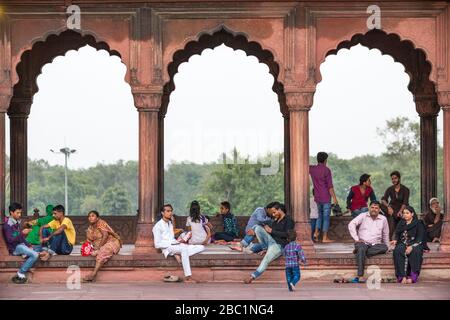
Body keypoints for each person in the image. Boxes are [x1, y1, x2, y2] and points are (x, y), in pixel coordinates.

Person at [153, 204, 204, 283]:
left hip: (176, 245)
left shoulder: (170, 224)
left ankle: (179, 254)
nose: (170, 213)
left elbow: (172, 238)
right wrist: (172, 244)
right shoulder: (157, 226)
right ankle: (188, 277)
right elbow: (157, 244)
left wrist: (177, 242)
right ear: (162, 213)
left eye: (171, 211)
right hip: (168, 247)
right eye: (168, 211)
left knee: (201, 247)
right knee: (183, 249)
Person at [244, 203, 294, 284]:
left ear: (280, 210)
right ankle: (260, 247)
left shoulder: (289, 221)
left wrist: (272, 231)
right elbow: (268, 233)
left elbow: (287, 235)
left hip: (279, 245)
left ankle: (252, 276)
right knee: (257, 227)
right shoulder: (275, 221)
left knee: (266, 259)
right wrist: (266, 230)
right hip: (269, 242)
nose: (273, 215)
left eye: (274, 212)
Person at [347, 201, 390, 283]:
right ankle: (360, 276)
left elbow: (385, 234)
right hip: (362, 243)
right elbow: (351, 224)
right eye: (372, 207)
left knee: (385, 247)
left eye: (376, 208)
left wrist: (387, 246)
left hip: (375, 245)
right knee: (362, 247)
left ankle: (360, 252)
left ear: (379, 209)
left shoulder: (383, 219)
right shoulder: (363, 215)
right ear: (369, 208)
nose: (374, 209)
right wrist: (356, 239)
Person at [3, 203, 44, 284]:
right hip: (15, 248)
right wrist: (22, 233)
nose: (19, 214)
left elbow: (20, 237)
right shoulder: (7, 225)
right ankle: (21, 272)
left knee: (41, 247)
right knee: (35, 255)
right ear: (11, 212)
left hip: (21, 245)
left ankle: (26, 253)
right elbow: (10, 240)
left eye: (20, 212)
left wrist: (29, 245)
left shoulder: (16, 222)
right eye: (17, 213)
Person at [82, 211, 122, 282]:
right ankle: (98, 251)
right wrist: (85, 248)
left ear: (97, 218)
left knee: (102, 252)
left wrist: (98, 249)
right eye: (89, 216)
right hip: (99, 246)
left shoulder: (101, 223)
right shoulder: (90, 229)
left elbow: (105, 236)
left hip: (111, 242)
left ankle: (93, 275)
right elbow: (89, 241)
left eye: (93, 216)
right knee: (89, 251)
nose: (90, 218)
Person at [309, 152, 338, 243]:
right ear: (325, 160)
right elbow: (330, 186)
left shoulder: (312, 169)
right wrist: (334, 198)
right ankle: (325, 238)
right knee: (326, 217)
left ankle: (316, 233)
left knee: (319, 216)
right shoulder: (326, 170)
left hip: (317, 197)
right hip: (326, 197)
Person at [392, 206, 425, 284]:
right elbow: (397, 233)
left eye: (407, 213)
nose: (405, 215)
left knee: (415, 251)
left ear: (412, 214)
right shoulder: (401, 223)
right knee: (398, 250)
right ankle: (401, 276)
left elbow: (420, 238)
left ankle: (413, 277)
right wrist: (395, 240)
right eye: (404, 213)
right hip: (403, 242)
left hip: (415, 243)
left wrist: (411, 246)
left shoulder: (418, 223)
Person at [381, 171, 410, 240]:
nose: (394, 180)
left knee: (391, 218)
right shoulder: (390, 189)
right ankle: (395, 215)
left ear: (399, 178)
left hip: (402, 209)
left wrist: (400, 211)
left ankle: (389, 238)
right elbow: (383, 199)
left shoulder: (405, 189)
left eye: (395, 178)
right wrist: (388, 207)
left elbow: (405, 202)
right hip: (392, 209)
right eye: (392, 179)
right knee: (381, 205)